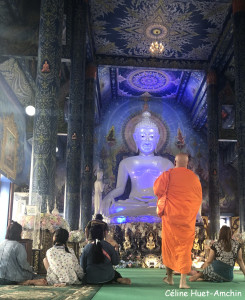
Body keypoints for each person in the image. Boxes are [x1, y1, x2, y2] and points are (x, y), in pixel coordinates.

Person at [102, 111, 174, 216]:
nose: (147, 141)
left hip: (157, 203)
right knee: (115, 208)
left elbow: (172, 190)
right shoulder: (126, 162)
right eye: (143, 136)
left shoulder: (166, 163)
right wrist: (109, 196)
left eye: (152, 137)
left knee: (170, 208)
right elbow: (120, 189)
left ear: (158, 139)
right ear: (135, 138)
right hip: (133, 204)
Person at [153, 153, 202, 289]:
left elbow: (157, 190)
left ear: (175, 162)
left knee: (169, 246)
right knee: (184, 248)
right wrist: (190, 212)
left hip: (170, 217)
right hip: (186, 218)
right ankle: (182, 282)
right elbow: (198, 199)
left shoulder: (167, 174)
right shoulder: (194, 178)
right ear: (188, 164)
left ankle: (169, 278)